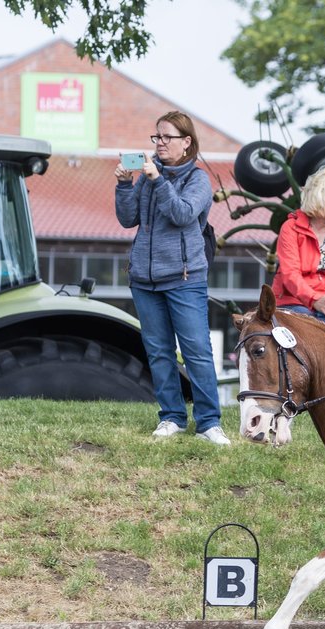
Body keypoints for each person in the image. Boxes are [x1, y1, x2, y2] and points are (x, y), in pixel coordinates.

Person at [115, 110, 229, 445]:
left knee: (196, 350)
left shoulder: (198, 180)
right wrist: (124, 184)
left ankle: (209, 422)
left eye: (167, 137)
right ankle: (172, 418)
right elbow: (127, 218)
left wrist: (156, 181)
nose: (160, 143)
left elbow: (181, 214)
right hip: (145, 280)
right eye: (157, 137)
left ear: (186, 143)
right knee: (159, 351)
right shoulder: (151, 178)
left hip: (184, 277)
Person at [271, 166, 325, 334]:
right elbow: (290, 275)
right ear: (319, 199)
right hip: (294, 301)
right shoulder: (291, 228)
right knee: (307, 331)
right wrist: (315, 299)